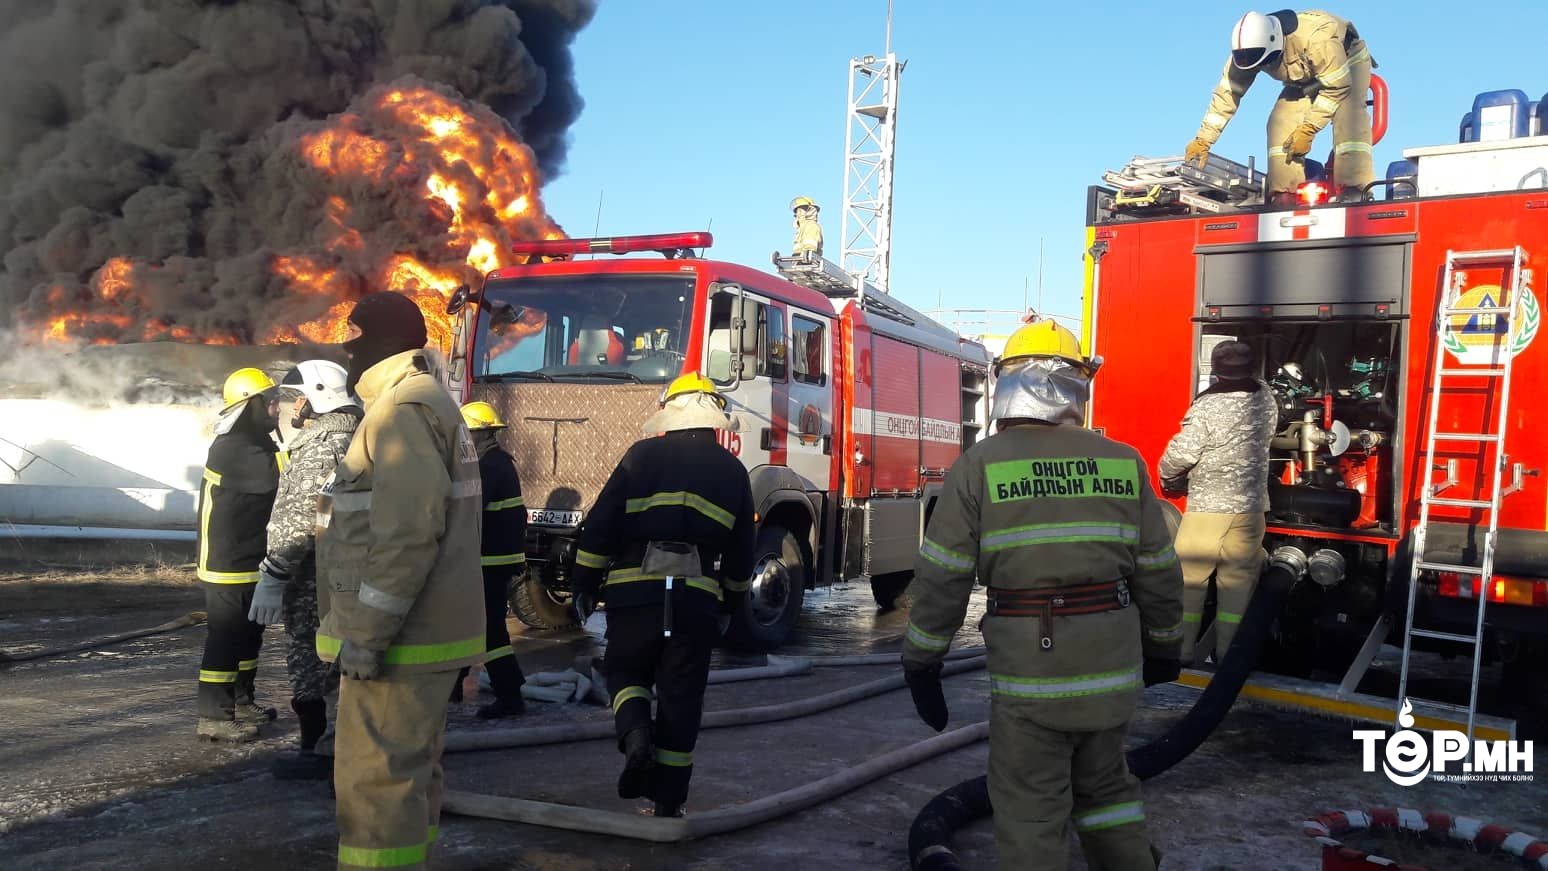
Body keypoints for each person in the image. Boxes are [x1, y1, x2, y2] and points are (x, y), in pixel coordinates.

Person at [901, 320, 1184, 871]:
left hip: (1032, 676)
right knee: (1108, 796)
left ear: (1005, 385)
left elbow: (944, 576)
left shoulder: (981, 465)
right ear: (1079, 386)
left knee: (1031, 809)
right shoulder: (1123, 461)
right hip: (1112, 670)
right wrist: (1165, 647)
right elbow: (1158, 569)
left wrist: (922, 662)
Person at [314, 291, 486, 871]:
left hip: (401, 644)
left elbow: (407, 534)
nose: (347, 348)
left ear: (383, 341)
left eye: (355, 336)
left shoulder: (400, 412)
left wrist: (368, 634)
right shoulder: (429, 402)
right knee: (409, 780)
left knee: (375, 787)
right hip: (424, 637)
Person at [571, 373, 756, 819]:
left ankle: (635, 735)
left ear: (669, 415)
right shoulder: (732, 471)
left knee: (625, 670)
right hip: (695, 601)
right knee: (681, 696)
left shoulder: (641, 455)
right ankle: (668, 802)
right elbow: (741, 551)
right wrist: (731, 604)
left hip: (634, 595)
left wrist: (585, 582)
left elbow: (601, 526)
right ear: (715, 420)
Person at [247, 360, 362, 780]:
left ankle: (317, 751)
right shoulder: (360, 436)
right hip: (345, 574)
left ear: (309, 398)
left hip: (315, 579)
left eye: (285, 400)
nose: (280, 410)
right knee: (338, 662)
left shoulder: (321, 446)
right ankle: (336, 746)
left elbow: (303, 519)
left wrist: (274, 574)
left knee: (311, 661)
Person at [1158, 340, 1280, 666]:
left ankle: (1180, 652)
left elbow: (1182, 454)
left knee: (1188, 579)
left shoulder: (1209, 405)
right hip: (1251, 509)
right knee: (1238, 583)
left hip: (1209, 507)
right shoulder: (1266, 398)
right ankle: (1229, 657)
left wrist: (1167, 481)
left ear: (1216, 371)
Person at [1184, 10, 1375, 200]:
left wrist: (1309, 128)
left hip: (1346, 66)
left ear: (1274, 42)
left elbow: (1337, 86)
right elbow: (1227, 94)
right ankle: (1285, 192)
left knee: (1348, 118)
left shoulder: (1315, 40)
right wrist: (1203, 140)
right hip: (1304, 77)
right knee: (1280, 121)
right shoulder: (1247, 53)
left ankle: (1354, 189)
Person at [195, 367, 283, 743]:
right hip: (226, 564)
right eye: (270, 401)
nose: (276, 408)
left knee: (249, 638)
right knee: (226, 638)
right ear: (251, 405)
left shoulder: (256, 442)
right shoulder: (233, 447)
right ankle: (213, 717)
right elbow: (280, 476)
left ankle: (243, 701)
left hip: (251, 558)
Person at [454, 400, 530, 719]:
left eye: (464, 434)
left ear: (479, 434)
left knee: (491, 632)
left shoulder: (489, 468)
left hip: (489, 563)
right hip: (490, 561)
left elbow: (467, 513)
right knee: (461, 625)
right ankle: (452, 687)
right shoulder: (495, 462)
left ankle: (510, 695)